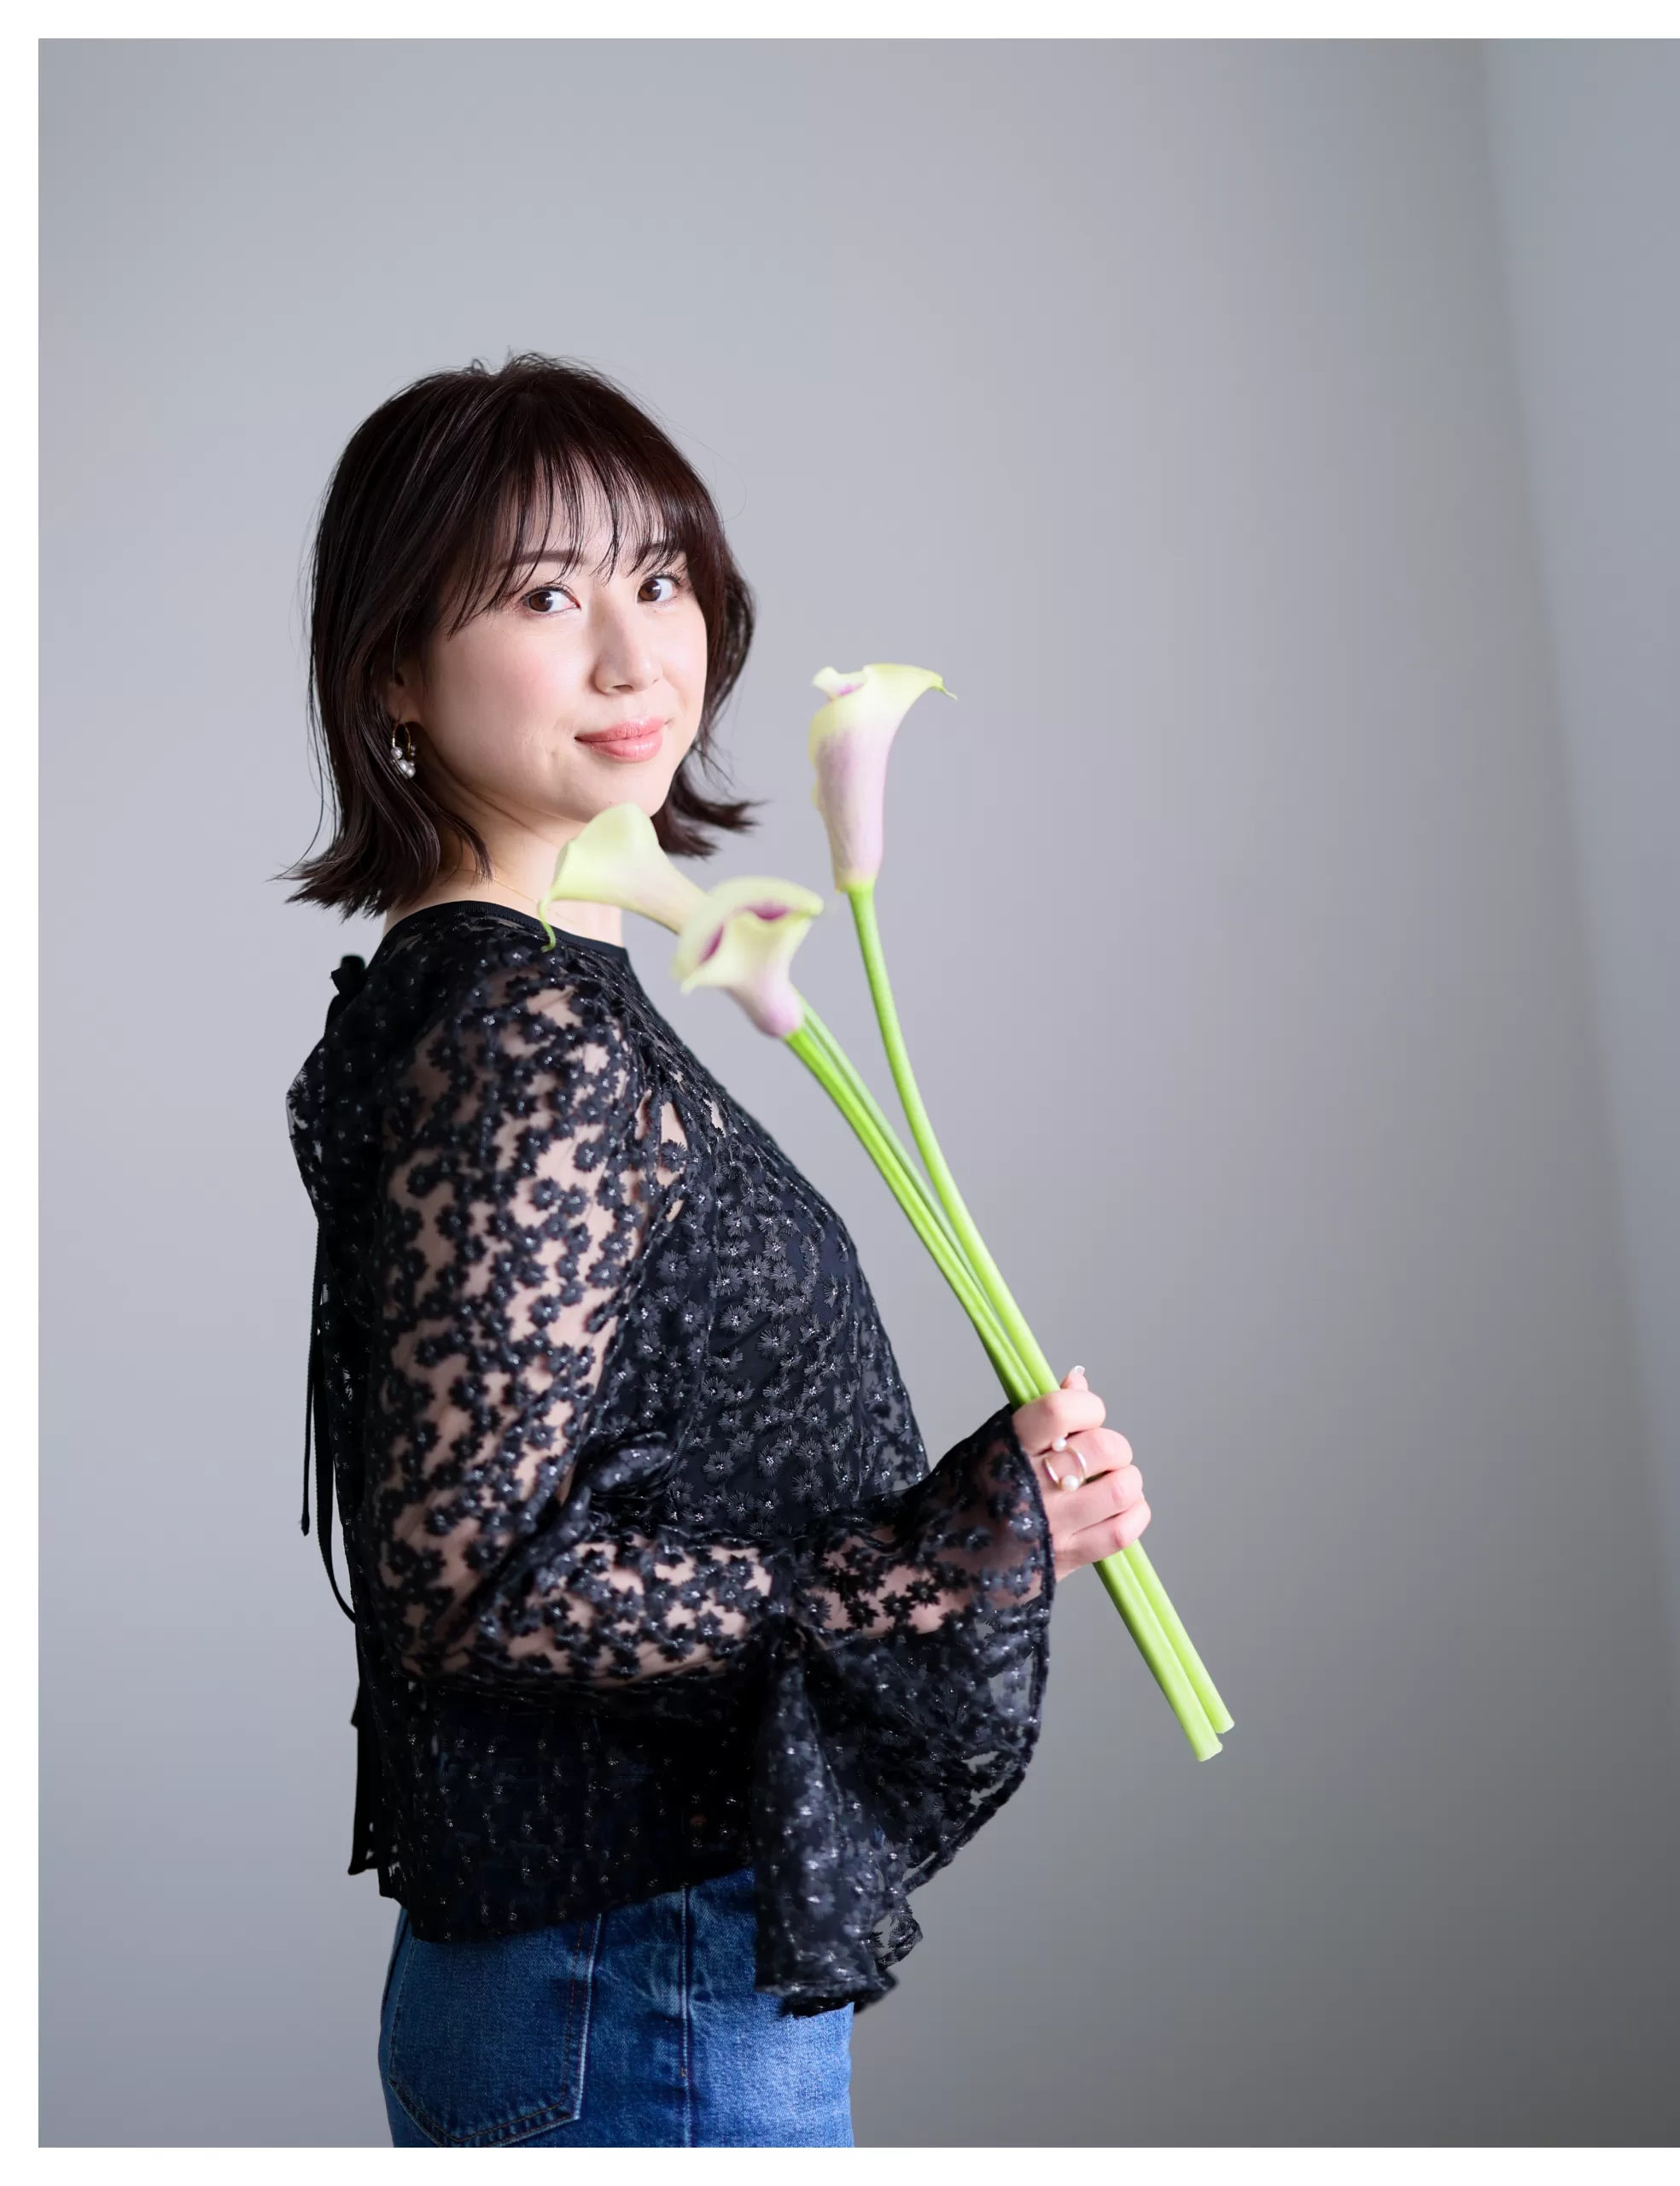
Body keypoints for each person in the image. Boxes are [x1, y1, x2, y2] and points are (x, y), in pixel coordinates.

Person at [283, 353, 1152, 2148]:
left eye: (659, 578)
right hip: (631, 1986)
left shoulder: (526, 1002)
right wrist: (946, 1555)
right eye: (544, 595)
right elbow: (479, 1584)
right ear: (392, 670)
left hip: (617, 1980)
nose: (634, 655)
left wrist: (977, 1531)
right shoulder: (523, 1032)